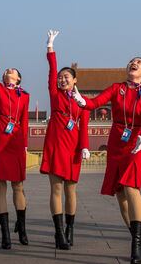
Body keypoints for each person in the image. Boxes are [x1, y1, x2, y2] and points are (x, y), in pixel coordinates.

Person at [72, 56, 141, 264]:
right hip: (117, 141)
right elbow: (95, 103)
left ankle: (136, 242)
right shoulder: (117, 88)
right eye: (131, 61)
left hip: (136, 143)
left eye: (138, 62)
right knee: (120, 194)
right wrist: (83, 101)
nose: (133, 63)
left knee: (131, 186)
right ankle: (138, 236)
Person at [41, 30, 90, 250]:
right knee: (56, 189)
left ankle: (70, 228)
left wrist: (85, 147)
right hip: (54, 145)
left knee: (71, 190)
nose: (62, 79)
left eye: (66, 77)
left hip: (72, 149)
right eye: (60, 77)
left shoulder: (82, 101)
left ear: (74, 80)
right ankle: (58, 232)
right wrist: (50, 48)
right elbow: (52, 70)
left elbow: (84, 127)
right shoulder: (54, 95)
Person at [0, 34, 30, 250]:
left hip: (16, 139)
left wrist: (26, 144)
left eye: (13, 71)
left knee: (18, 186)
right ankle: (4, 234)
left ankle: (22, 225)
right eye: (7, 70)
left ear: (19, 79)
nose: (9, 71)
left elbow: (25, 120)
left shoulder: (25, 96)